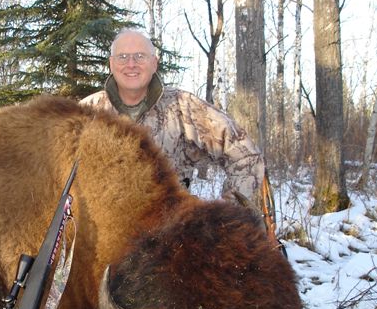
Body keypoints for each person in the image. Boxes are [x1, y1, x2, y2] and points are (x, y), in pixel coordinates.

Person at [80, 29, 269, 219]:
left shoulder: (183, 107)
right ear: (111, 64)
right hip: (103, 235)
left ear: (154, 63)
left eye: (140, 56)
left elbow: (247, 156)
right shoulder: (87, 113)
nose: (131, 64)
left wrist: (225, 212)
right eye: (122, 57)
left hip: (169, 234)